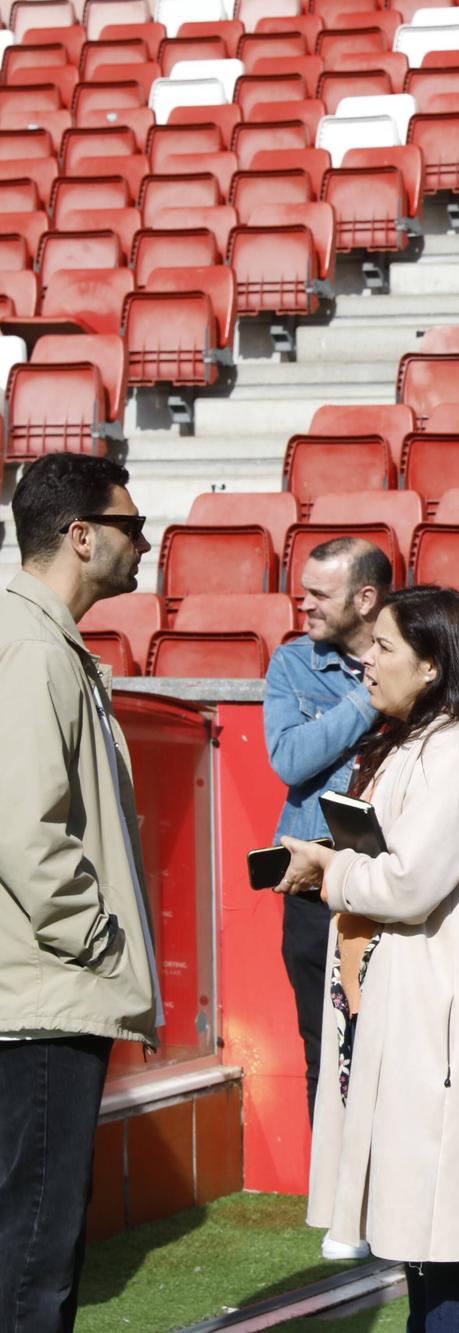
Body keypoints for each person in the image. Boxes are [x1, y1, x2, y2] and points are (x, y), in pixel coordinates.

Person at [276, 586, 459, 1332]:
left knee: (448, 1243)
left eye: (383, 647)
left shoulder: (457, 748)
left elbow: (411, 882)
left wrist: (331, 870)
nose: (367, 663)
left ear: (432, 663)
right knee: (425, 1239)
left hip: (442, 1022)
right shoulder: (420, 740)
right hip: (415, 1015)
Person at [0, 452, 161, 1333]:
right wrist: (99, 941)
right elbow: (26, 827)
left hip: (35, 987)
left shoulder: (37, 637)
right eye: (132, 525)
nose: (147, 539)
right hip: (44, 995)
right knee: (35, 1256)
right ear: (82, 535)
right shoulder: (30, 642)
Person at [263, 537, 390, 1135]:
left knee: (396, 1054)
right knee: (325, 1053)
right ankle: (336, 1220)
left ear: (366, 599)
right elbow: (290, 759)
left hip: (396, 890)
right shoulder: (291, 663)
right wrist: (369, 701)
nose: (302, 603)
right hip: (313, 892)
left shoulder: (419, 656)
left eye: (319, 593)